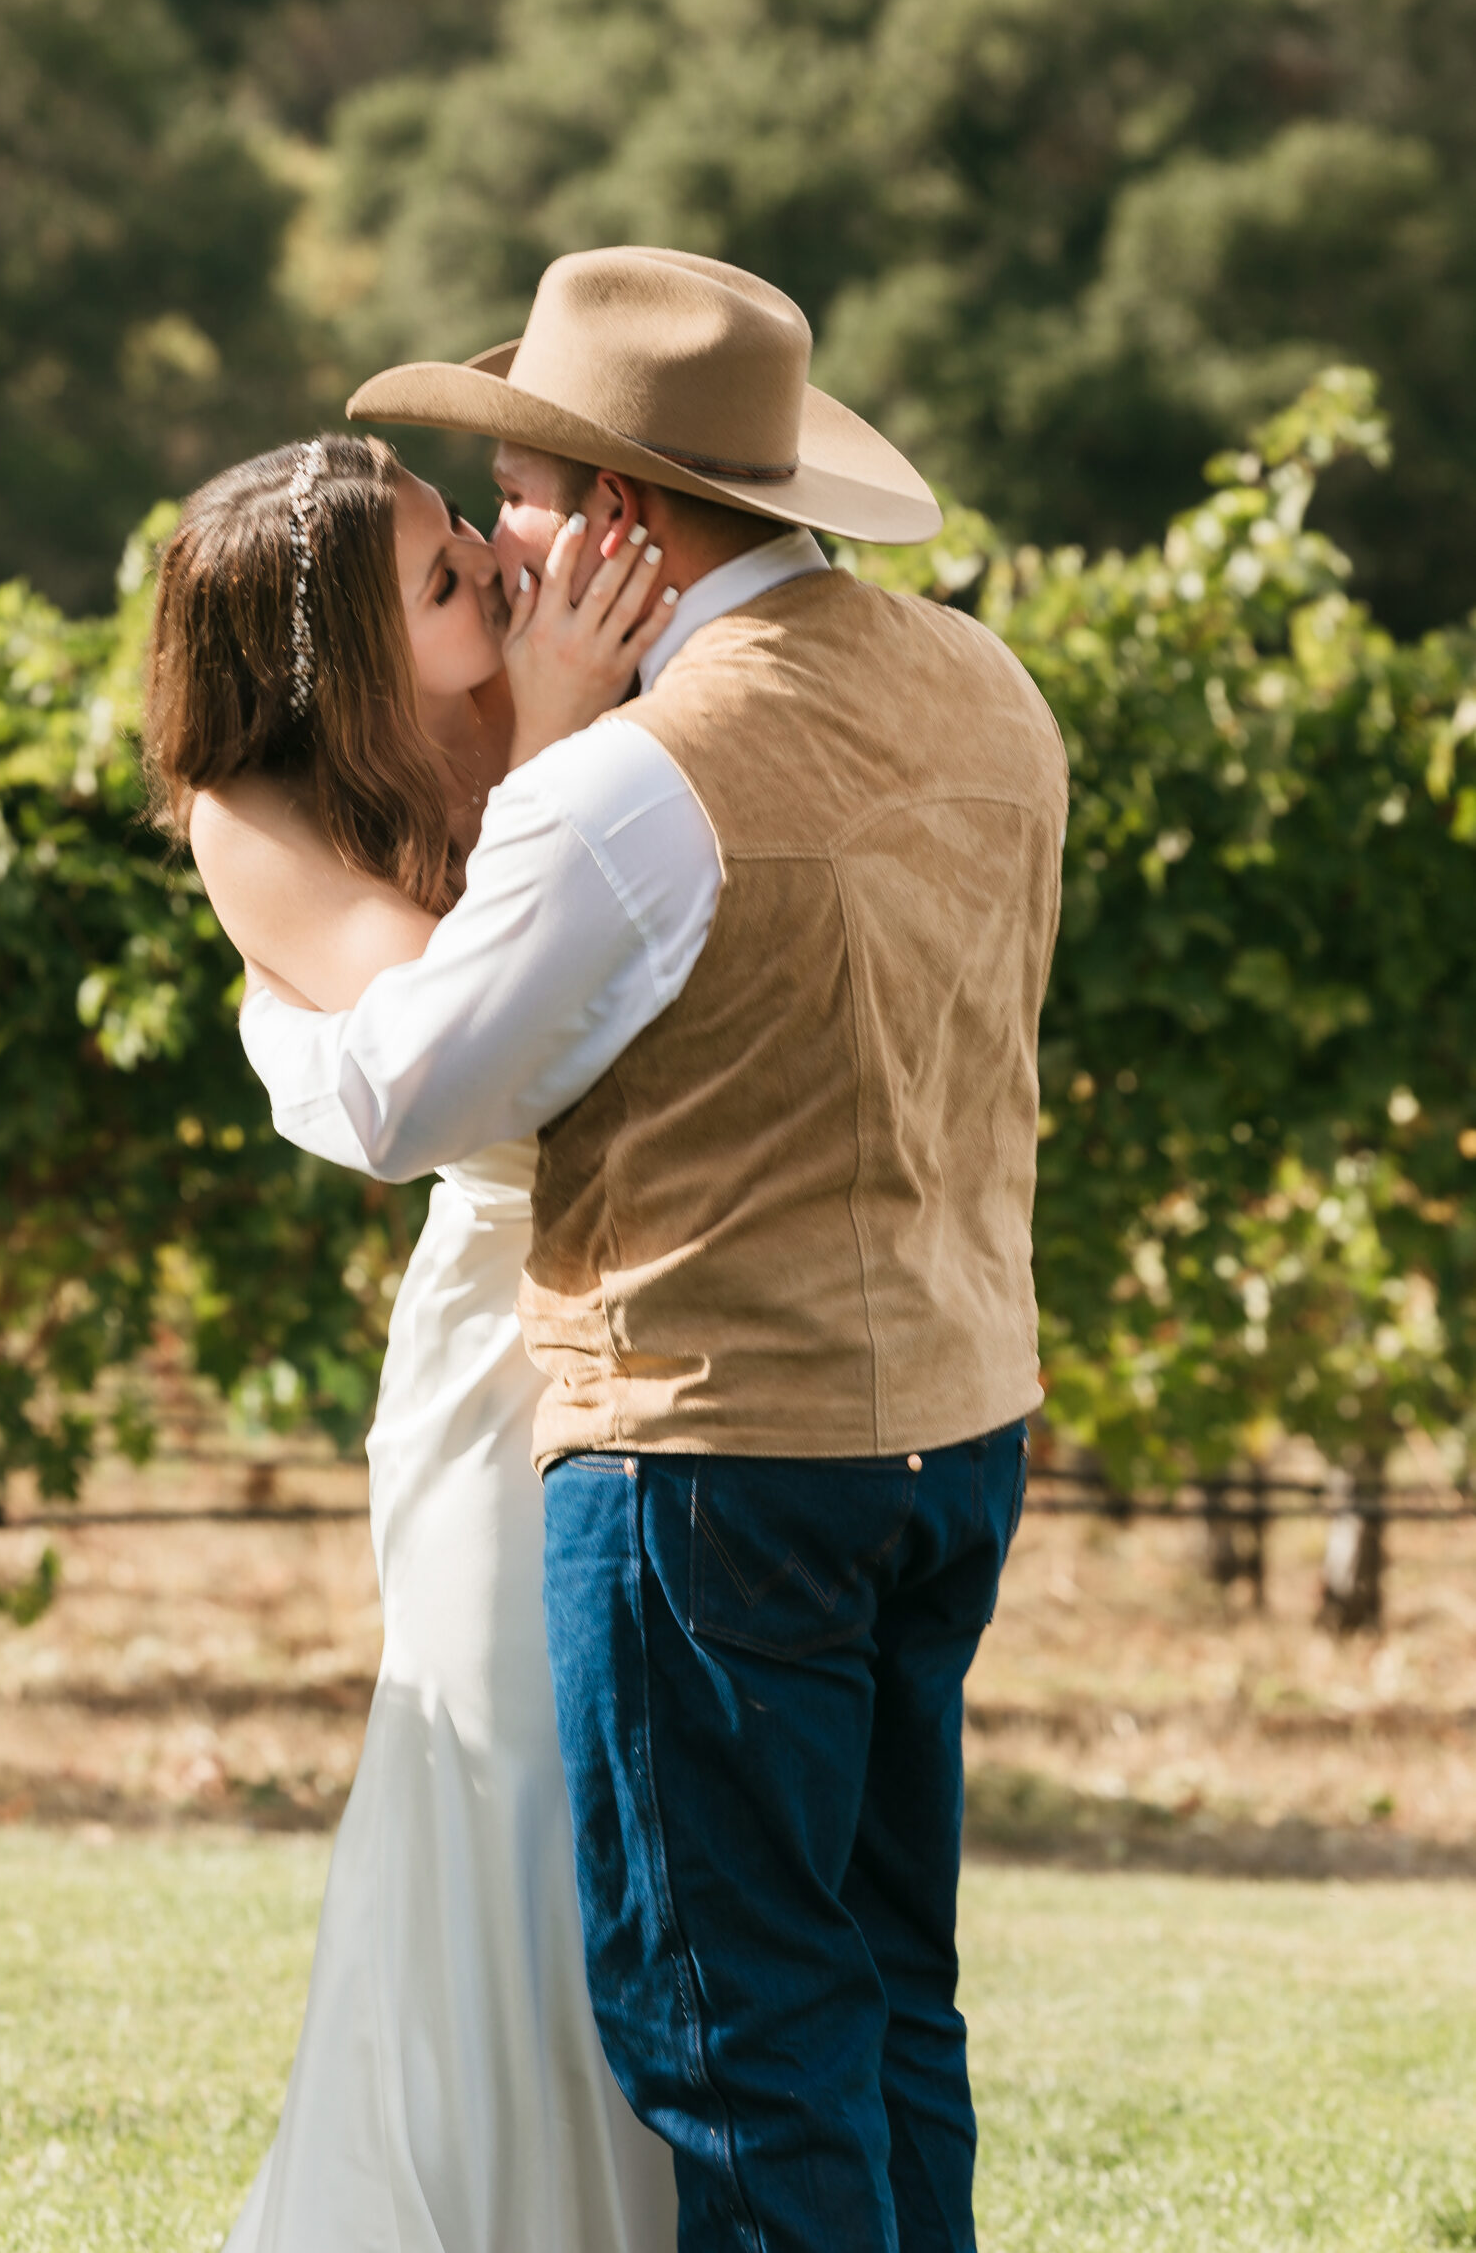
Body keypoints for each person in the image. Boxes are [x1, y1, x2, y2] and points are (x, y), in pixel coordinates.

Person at [240, 246, 1070, 2253]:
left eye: (518, 486)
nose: (505, 530)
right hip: (953, 1427)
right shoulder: (986, 686)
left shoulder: (627, 783)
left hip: (709, 1457)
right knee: (886, 1998)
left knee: (729, 2030)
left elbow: (400, 1101)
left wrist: (274, 1000)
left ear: (615, 510)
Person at [141, 430, 682, 2253]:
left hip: (676, 1320)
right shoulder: (261, 820)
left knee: (646, 1835)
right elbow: (463, 1048)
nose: (499, 579)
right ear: (349, 674)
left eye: (465, 538)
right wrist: (553, 733)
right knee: (512, 1813)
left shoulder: (582, 685)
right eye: (446, 587)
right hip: (499, 1361)